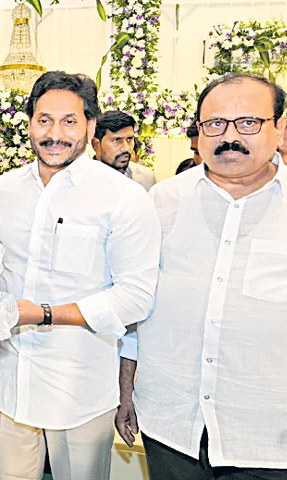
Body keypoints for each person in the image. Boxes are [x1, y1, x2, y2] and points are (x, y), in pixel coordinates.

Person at [0, 71, 161, 480]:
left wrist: (45, 314)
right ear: (30, 123)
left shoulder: (123, 197)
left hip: (80, 388)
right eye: (44, 120)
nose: (55, 134)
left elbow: (136, 296)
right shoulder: (7, 189)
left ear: (90, 126)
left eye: (69, 121)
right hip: (10, 380)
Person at [120, 72, 287, 479]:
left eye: (248, 122)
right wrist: (125, 389)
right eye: (215, 124)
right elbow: (137, 303)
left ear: (280, 127)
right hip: (171, 426)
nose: (230, 136)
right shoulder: (163, 200)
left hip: (267, 436)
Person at [92, 110, 156, 191]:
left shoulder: (146, 178)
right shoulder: (82, 180)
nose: (126, 148)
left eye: (129, 139)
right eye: (117, 140)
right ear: (96, 144)